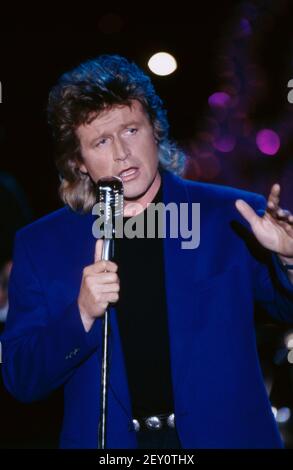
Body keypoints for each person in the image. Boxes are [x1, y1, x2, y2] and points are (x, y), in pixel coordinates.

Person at [1, 55, 293, 450]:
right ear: (79, 162)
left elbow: (284, 307)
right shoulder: (41, 246)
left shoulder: (230, 216)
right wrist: (82, 313)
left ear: (155, 130)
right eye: (101, 141)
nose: (122, 152)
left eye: (131, 130)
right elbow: (21, 378)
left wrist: (289, 260)